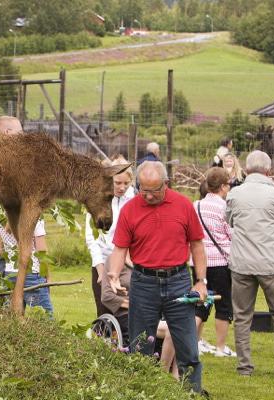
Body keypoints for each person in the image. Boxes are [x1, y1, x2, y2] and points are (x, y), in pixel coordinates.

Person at [108, 161, 208, 394]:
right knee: (141, 345)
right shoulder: (130, 209)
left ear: (166, 183)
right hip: (143, 282)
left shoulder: (183, 205)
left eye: (154, 190)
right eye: (144, 190)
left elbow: (197, 245)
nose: (149, 196)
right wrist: (113, 273)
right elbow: (120, 249)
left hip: (179, 281)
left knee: (188, 347)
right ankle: (142, 392)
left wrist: (201, 281)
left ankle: (191, 393)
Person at [225, 150, 274, 377]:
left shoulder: (235, 194)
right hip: (271, 265)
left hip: (241, 265)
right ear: (269, 171)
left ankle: (244, 367)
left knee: (242, 316)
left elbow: (228, 219)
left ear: (247, 170)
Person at [192, 167, 236, 358]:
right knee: (223, 305)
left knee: (199, 303)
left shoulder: (196, 206)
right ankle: (220, 347)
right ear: (224, 187)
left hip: (197, 262)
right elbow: (232, 235)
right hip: (220, 263)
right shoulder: (225, 208)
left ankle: (194, 342)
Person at [86, 155, 136, 317]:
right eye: (117, 183)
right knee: (104, 310)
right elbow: (91, 237)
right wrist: (100, 268)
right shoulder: (98, 199)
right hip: (103, 260)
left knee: (126, 310)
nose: (122, 187)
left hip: (126, 263)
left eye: (126, 184)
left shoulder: (134, 200)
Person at [0, 219, 53, 315]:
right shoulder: (34, 218)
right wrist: (48, 276)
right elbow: (41, 252)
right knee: (46, 316)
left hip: (10, 275)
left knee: (13, 318)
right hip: (32, 273)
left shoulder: (0, 220)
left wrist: (11, 256)